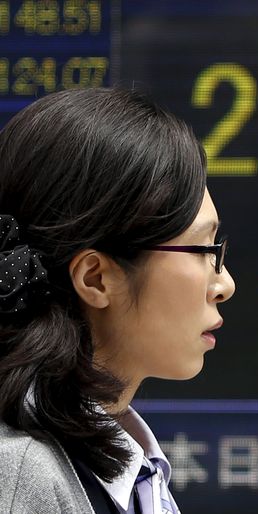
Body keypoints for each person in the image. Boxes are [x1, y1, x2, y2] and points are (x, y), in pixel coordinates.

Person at [0, 87, 236, 513]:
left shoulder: (120, 459)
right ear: (95, 277)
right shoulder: (23, 477)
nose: (224, 283)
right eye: (204, 251)